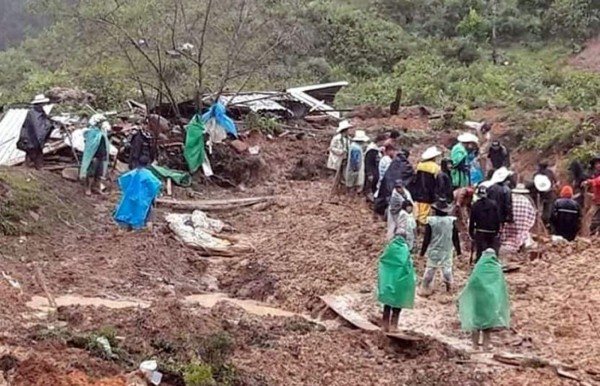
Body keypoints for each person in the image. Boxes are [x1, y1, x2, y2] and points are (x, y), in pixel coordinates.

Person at [459, 248, 510, 351]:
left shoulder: (478, 268)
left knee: (476, 324)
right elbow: (501, 287)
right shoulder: (497, 269)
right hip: (490, 302)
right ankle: (486, 345)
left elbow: (471, 283)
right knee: (487, 325)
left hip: (477, 301)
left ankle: (475, 345)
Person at [420, 199, 461, 294]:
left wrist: (422, 252)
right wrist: (458, 251)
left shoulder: (431, 221)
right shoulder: (451, 221)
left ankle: (425, 288)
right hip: (446, 249)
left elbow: (427, 238)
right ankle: (449, 288)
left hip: (435, 249)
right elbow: (455, 238)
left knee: (430, 270)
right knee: (447, 271)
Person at [377, 237, 416, 332]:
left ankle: (385, 325)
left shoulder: (389, 249)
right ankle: (394, 326)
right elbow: (408, 267)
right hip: (400, 283)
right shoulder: (405, 250)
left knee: (388, 302)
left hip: (389, 282)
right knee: (397, 304)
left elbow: (383, 262)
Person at [113, 155, 162, 230]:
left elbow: (123, 180)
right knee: (147, 215)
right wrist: (151, 195)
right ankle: (147, 231)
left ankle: (127, 228)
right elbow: (155, 184)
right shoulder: (148, 174)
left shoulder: (132, 173)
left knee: (130, 211)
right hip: (143, 199)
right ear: (148, 164)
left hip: (131, 197)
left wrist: (127, 191)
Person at [17, 94, 53, 170]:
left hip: (29, 140)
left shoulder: (35, 112)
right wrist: (49, 125)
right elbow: (39, 129)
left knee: (30, 157)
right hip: (32, 141)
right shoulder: (35, 113)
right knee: (37, 158)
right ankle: (37, 171)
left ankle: (27, 170)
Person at [374, 149, 414, 216]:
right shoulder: (406, 165)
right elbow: (409, 176)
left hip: (388, 185)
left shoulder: (393, 162)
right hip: (396, 186)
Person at [79, 114, 110, 196]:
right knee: (90, 174)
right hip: (94, 157)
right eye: (101, 122)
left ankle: (96, 187)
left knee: (99, 174)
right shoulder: (91, 132)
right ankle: (88, 188)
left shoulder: (102, 132)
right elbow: (90, 146)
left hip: (101, 156)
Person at [500, 184, 536, 253]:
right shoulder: (526, 201)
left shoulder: (510, 199)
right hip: (522, 226)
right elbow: (532, 215)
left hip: (508, 225)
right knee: (523, 234)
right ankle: (520, 246)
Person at [469, 185, 501, 261]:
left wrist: (471, 233)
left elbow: (472, 221)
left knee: (480, 253)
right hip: (492, 232)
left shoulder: (475, 205)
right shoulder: (494, 204)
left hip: (480, 232)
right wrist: (497, 231)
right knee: (492, 252)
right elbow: (497, 219)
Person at [412, 146, 442, 225]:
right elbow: (437, 181)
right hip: (429, 193)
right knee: (424, 214)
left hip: (418, 191)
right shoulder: (435, 167)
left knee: (417, 210)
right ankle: (423, 228)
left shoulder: (420, 165)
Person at [532, 161, 557, 228]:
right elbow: (556, 182)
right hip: (549, 193)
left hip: (539, 194)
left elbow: (534, 183)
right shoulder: (550, 173)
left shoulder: (536, 174)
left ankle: (537, 224)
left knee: (537, 209)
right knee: (547, 211)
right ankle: (545, 223)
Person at [364, 134, 387, 200]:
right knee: (370, 185)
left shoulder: (378, 149)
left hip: (376, 170)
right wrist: (369, 173)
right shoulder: (371, 150)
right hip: (372, 170)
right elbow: (368, 162)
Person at [582, 158, 600, 235]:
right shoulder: (595, 174)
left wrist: (589, 182)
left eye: (599, 163)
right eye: (596, 164)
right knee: (590, 217)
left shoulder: (596, 177)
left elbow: (598, 181)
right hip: (597, 200)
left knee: (593, 217)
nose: (598, 165)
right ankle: (590, 234)